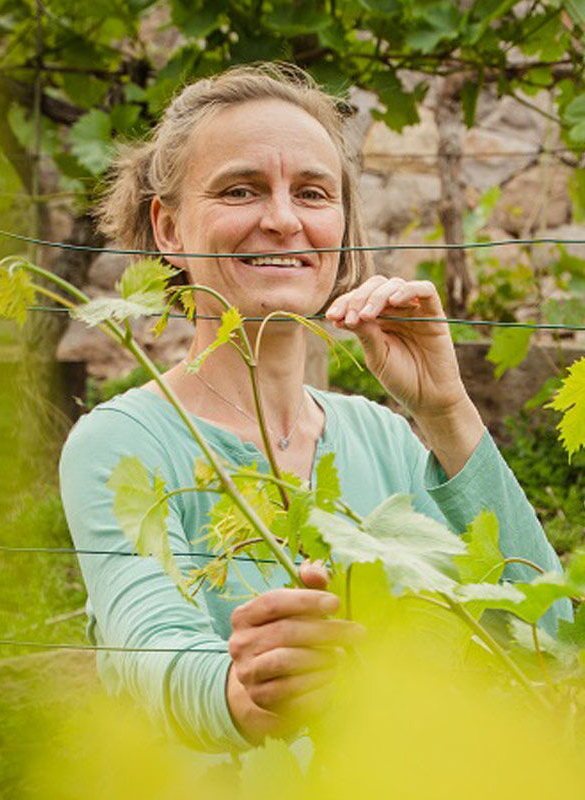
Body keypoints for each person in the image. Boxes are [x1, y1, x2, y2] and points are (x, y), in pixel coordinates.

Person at [59, 62, 570, 753]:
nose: (282, 220)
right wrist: (244, 695)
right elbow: (152, 650)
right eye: (240, 190)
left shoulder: (383, 437)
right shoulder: (120, 442)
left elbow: (547, 633)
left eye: (312, 193)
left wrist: (446, 409)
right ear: (169, 228)